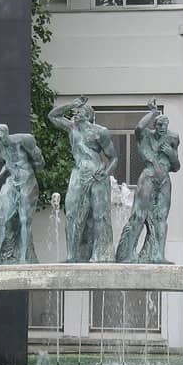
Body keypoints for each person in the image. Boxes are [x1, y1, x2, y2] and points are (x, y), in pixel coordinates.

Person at [47, 96, 118, 262]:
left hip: (97, 175)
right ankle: (72, 255)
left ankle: (99, 255)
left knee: (99, 216)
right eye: (75, 111)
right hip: (78, 173)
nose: (76, 113)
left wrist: (106, 172)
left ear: (88, 115)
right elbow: (52, 116)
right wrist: (71, 104)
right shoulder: (72, 128)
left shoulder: (100, 132)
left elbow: (114, 158)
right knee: (71, 213)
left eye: (80, 111)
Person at [115, 98, 180, 263]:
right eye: (159, 125)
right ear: (154, 125)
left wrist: (171, 155)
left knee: (161, 218)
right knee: (139, 215)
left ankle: (158, 254)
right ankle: (126, 254)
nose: (162, 129)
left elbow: (176, 167)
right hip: (149, 177)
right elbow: (138, 128)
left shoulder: (173, 138)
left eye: (164, 126)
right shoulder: (147, 136)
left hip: (164, 179)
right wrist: (152, 112)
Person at [0, 124, 44, 264]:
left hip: (27, 180)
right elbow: (8, 162)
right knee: (1, 219)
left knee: (24, 220)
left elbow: (39, 160)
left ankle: (23, 259)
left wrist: (34, 166)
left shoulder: (23, 139)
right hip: (12, 181)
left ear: (6, 133)